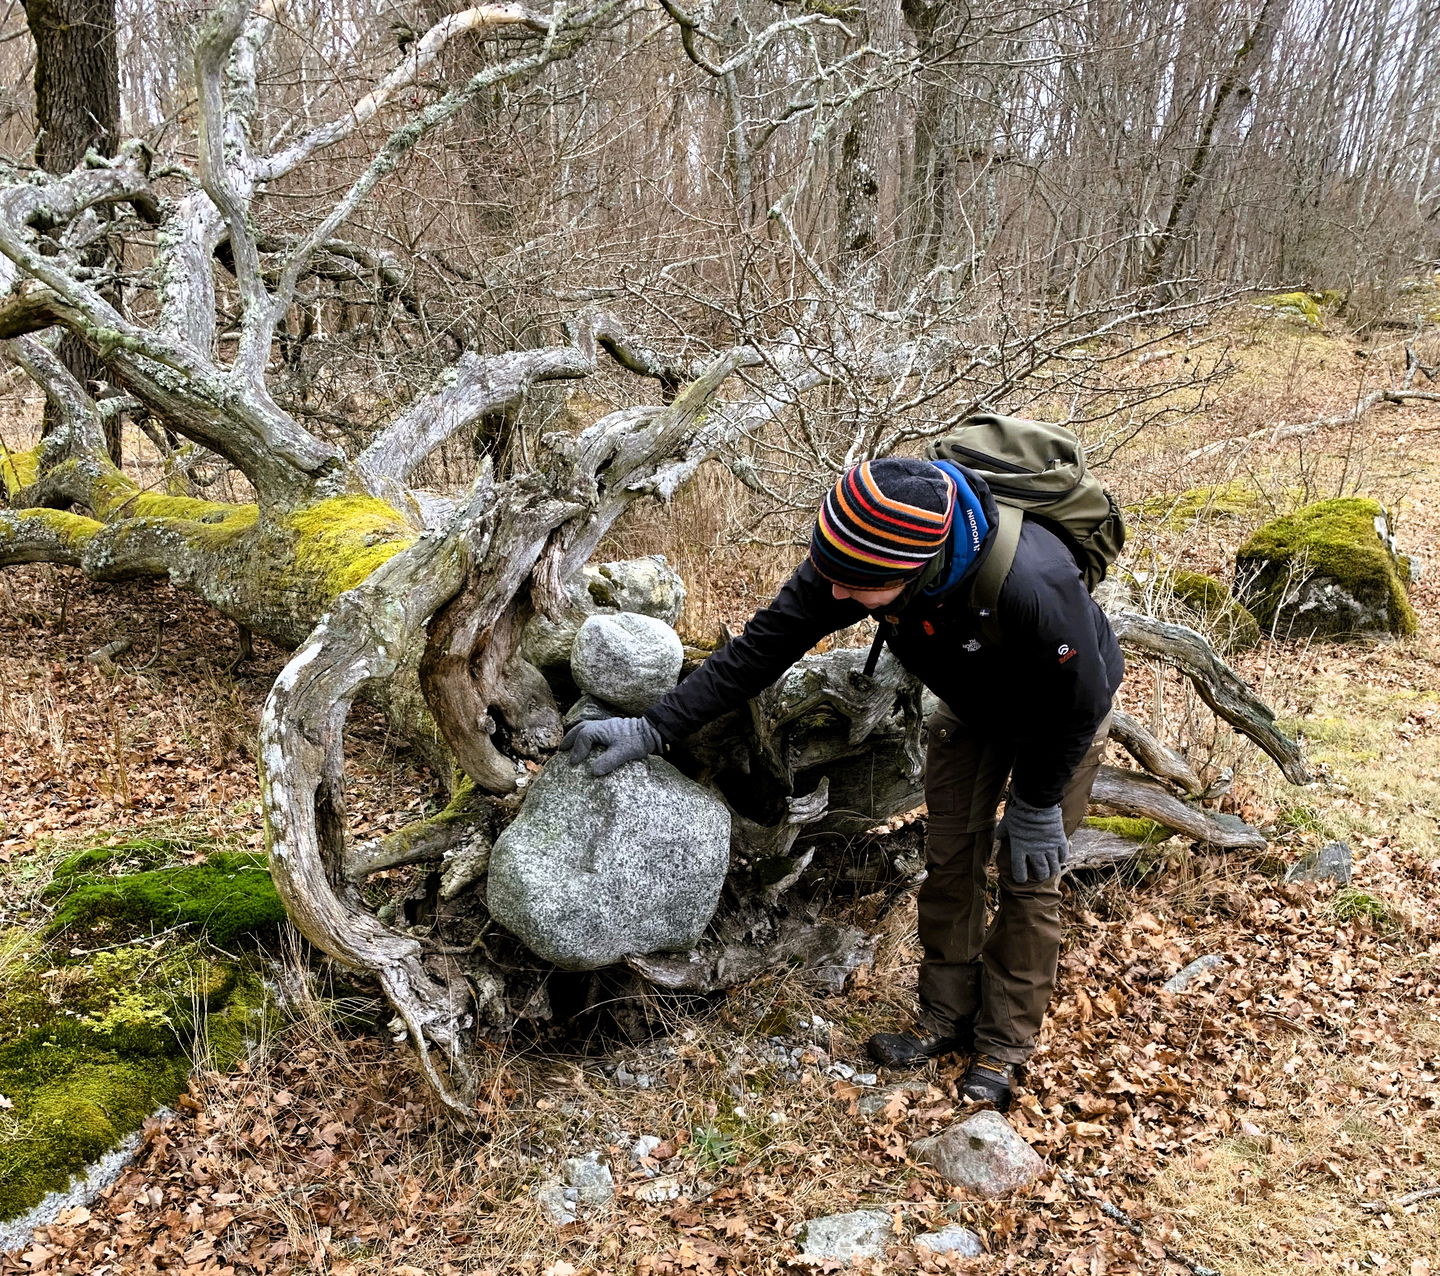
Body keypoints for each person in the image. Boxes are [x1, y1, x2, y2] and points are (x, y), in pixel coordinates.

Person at [560, 457, 1123, 1110]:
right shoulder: (847, 560)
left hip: (1060, 719)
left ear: (914, 569)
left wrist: (1036, 803)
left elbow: (1081, 695)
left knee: (1028, 877)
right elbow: (759, 651)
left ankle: (1001, 1046)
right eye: (827, 574)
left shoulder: (1032, 583)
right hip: (973, 710)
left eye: (854, 587)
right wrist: (654, 728)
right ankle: (944, 1020)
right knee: (950, 860)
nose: (832, 595)